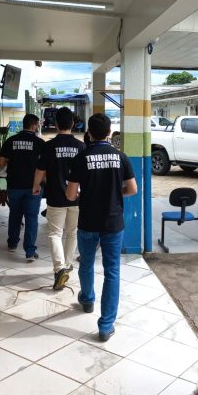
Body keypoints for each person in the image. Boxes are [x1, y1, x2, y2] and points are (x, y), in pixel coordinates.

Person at [66, 113, 137, 342]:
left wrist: (84, 194)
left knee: (86, 263)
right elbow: (132, 189)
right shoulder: (121, 157)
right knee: (112, 270)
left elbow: (70, 194)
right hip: (113, 223)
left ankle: (87, 299)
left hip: (88, 221)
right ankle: (106, 326)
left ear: (89, 132)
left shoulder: (81, 157)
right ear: (109, 133)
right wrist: (116, 194)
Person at [32, 107, 85, 290]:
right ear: (73, 123)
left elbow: (40, 170)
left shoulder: (49, 146)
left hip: (55, 196)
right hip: (76, 198)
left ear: (55, 124)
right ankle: (67, 265)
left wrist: (36, 186)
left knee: (55, 234)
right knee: (72, 232)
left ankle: (60, 268)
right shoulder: (81, 147)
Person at [0, 114, 45, 261]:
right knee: (31, 218)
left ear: (24, 124)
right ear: (34, 125)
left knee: (15, 215)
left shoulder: (11, 140)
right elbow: (45, 166)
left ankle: (12, 244)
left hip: (14, 185)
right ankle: (30, 252)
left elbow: (1, 162)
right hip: (33, 187)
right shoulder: (39, 143)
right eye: (37, 125)